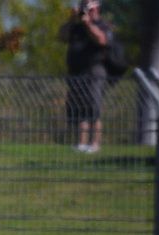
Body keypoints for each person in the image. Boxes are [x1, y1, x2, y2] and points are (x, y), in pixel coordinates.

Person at [60, 0, 111, 153]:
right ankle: (81, 144)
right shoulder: (76, 27)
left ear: (97, 8)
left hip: (94, 72)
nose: (86, 10)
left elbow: (102, 40)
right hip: (76, 72)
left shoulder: (102, 24)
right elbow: (62, 36)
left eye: (89, 6)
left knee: (93, 108)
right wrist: (72, 19)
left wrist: (88, 23)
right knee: (79, 109)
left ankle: (94, 144)